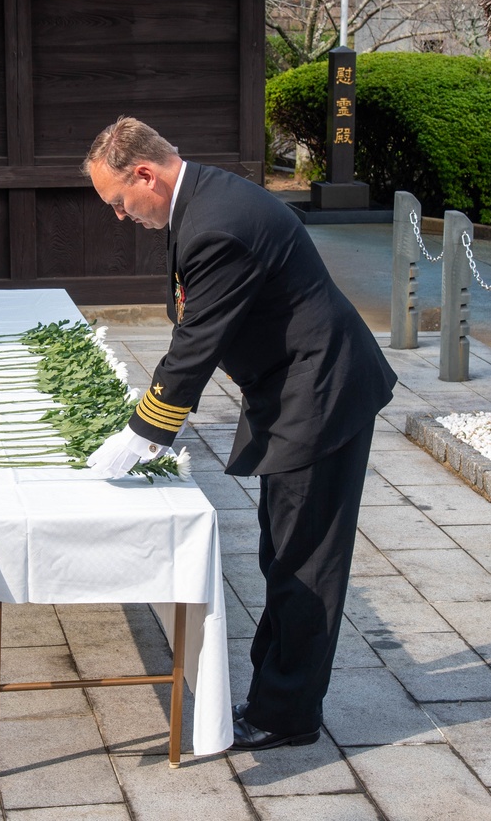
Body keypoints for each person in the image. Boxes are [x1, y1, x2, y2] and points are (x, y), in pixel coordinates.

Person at [82, 117, 397, 751]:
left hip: (320, 392)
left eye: (118, 201)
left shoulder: (216, 223)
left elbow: (196, 339)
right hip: (295, 385)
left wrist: (147, 431)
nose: (120, 216)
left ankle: (289, 715)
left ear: (145, 174)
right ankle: (278, 693)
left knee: (303, 561)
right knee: (282, 551)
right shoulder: (206, 198)